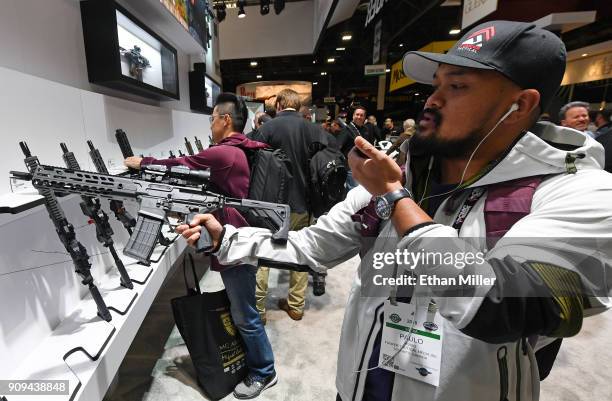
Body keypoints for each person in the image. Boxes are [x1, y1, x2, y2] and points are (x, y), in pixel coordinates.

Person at [177, 21, 612, 401]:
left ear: (519, 106)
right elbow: (313, 244)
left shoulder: (579, 193)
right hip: (363, 381)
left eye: (457, 87)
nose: (432, 100)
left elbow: (497, 302)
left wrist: (394, 198)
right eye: (437, 84)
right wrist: (227, 237)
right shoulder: (404, 176)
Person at [126, 93, 277, 399]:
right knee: (241, 309)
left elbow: (180, 164)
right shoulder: (239, 151)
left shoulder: (224, 154)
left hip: (236, 245)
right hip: (238, 239)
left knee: (245, 313)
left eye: (211, 118)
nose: (210, 124)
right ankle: (257, 362)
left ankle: (264, 371)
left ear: (225, 120)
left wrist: (142, 162)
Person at [252, 88, 328, 321]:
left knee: (262, 255)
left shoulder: (267, 128)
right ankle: (296, 306)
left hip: (270, 204)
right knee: (300, 253)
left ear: (279, 105)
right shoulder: (313, 129)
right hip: (302, 203)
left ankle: (259, 310)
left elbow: (252, 159)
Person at [337, 106, 375, 190]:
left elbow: (370, 146)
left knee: (362, 191)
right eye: (357, 114)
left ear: (364, 117)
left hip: (364, 165)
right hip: (351, 167)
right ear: (353, 116)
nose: (359, 117)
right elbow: (338, 147)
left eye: (361, 115)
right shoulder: (347, 130)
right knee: (354, 191)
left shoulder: (366, 129)